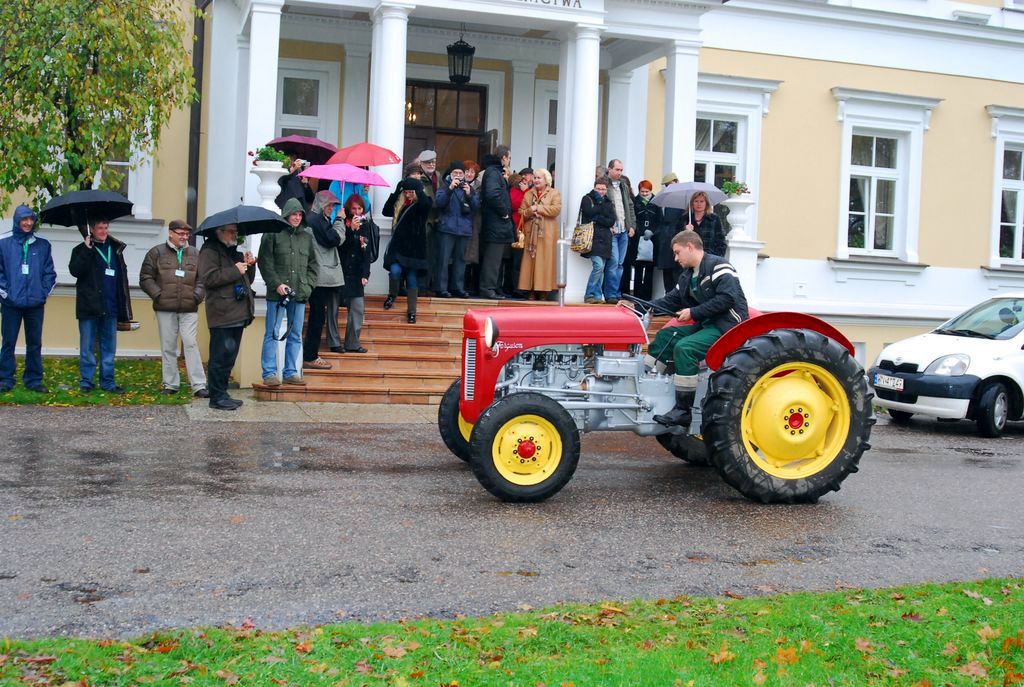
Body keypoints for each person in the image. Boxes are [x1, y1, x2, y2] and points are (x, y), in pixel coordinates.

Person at [639, 230, 748, 426]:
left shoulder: (718, 266)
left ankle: (683, 410)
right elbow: (670, 301)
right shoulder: (687, 276)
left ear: (689, 246)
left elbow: (727, 298)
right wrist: (639, 306)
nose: (675, 258)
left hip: (727, 327)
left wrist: (693, 312)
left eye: (677, 252)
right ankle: (644, 383)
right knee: (666, 336)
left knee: (685, 348)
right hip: (706, 325)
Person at [138, 219, 208, 397]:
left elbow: (203, 278)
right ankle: (171, 384)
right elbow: (145, 277)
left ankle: (199, 385)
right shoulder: (156, 252)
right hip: (165, 307)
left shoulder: (195, 253)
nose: (184, 237)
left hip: (189, 307)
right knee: (168, 346)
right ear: (170, 233)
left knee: (190, 343)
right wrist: (158, 295)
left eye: (187, 234)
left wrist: (197, 296)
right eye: (181, 234)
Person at [258, 198, 319, 386]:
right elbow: (265, 262)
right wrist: (276, 284)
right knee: (272, 333)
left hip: (299, 294)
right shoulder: (272, 233)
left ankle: (291, 372)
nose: (297, 217)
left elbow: (313, 266)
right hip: (277, 295)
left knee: (295, 334)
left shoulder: (307, 237)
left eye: (300, 214)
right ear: (286, 214)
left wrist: (307, 287)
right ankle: (269, 373)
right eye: (294, 214)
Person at [69, 218, 132, 394]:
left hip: (110, 306)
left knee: (109, 348)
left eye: (106, 227)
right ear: (92, 230)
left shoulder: (115, 249)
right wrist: (87, 250)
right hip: (89, 307)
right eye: (100, 228)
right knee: (87, 347)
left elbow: (121, 278)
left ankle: (108, 382)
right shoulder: (80, 249)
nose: (104, 231)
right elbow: (75, 270)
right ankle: (86, 381)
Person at [198, 224, 255, 410]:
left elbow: (247, 280)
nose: (235, 235)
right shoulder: (209, 251)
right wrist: (235, 270)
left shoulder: (233, 252)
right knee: (220, 357)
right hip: (221, 313)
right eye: (231, 231)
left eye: (235, 231)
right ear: (219, 232)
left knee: (229, 357)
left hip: (237, 312)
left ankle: (222, 392)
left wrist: (250, 265)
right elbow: (209, 278)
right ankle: (216, 397)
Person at [0, 205, 57, 393]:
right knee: (8, 342)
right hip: (11, 303)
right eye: (24, 219)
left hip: (35, 304)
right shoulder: (3, 243)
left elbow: (49, 273)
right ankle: (5, 379)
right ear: (17, 221)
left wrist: (42, 293)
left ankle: (33, 379)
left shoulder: (42, 245)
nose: (28, 223)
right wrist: (6, 293)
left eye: (31, 219)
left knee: (34, 343)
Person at [303, 190, 345, 363]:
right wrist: (340, 220)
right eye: (328, 205)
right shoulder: (317, 220)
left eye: (333, 206)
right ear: (320, 204)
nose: (331, 208)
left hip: (319, 274)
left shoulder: (316, 219)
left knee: (318, 316)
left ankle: (310, 354)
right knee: (317, 317)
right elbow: (334, 239)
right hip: (320, 276)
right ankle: (310, 355)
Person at [382, 176, 431, 323]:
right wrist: (397, 191)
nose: (408, 195)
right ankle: (392, 295)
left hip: (415, 250)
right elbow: (386, 211)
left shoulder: (423, 203)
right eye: (406, 192)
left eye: (411, 192)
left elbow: (425, 204)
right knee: (395, 271)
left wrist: (418, 189)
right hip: (399, 248)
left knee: (411, 279)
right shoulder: (401, 204)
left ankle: (412, 312)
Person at [434, 161, 479, 298]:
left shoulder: (468, 187)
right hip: (447, 228)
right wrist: (450, 189)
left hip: (464, 229)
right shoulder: (444, 186)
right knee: (443, 260)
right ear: (451, 174)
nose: (458, 175)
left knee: (460, 260)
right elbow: (439, 202)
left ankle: (457, 288)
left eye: (460, 173)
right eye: (455, 173)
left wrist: (469, 194)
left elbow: (476, 206)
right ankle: (441, 288)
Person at [517, 168, 561, 300]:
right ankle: (530, 290)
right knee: (530, 260)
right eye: (535, 178)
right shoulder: (528, 194)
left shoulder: (554, 193)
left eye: (539, 178)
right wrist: (530, 210)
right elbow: (521, 211)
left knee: (545, 261)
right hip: (531, 232)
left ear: (546, 180)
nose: (536, 180)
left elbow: (556, 209)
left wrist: (539, 208)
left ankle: (543, 291)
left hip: (547, 232)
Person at [478, 145, 515, 300]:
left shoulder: (495, 172)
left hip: (496, 224)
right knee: (492, 258)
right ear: (503, 157)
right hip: (496, 223)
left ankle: (493, 287)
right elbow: (492, 194)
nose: (509, 161)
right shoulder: (493, 172)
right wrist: (504, 213)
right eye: (509, 158)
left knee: (496, 258)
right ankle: (488, 288)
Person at [339, 194, 374, 352]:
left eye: (360, 208)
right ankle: (334, 343)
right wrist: (351, 230)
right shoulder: (341, 223)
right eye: (354, 209)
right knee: (333, 309)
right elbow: (341, 247)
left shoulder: (365, 225)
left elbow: (366, 251)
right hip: (341, 272)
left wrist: (365, 274)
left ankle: (352, 343)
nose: (357, 212)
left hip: (356, 274)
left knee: (357, 309)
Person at [580, 177, 617, 304]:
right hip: (592, 238)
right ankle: (589, 294)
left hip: (605, 239)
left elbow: (611, 221)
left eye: (603, 189)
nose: (601, 191)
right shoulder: (587, 198)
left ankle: (597, 296)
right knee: (598, 266)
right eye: (598, 189)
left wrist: (598, 218)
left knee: (602, 269)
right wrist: (600, 206)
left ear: (606, 190)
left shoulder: (609, 202)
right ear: (594, 188)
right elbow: (589, 213)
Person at [604, 159, 636, 303]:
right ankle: (610, 294)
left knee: (620, 264)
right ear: (609, 169)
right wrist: (608, 225)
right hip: (612, 231)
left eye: (621, 170)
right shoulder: (604, 184)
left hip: (624, 230)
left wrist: (632, 225)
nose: (620, 172)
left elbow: (630, 206)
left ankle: (616, 293)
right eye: (617, 169)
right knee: (613, 262)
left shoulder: (623, 185)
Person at [625, 180, 661, 300]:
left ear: (651, 191)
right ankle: (637, 294)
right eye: (642, 191)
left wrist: (652, 231)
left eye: (647, 191)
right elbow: (633, 218)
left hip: (652, 240)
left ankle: (647, 296)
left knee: (649, 269)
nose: (644, 194)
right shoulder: (635, 202)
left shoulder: (656, 202)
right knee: (638, 268)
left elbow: (659, 221)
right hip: (637, 239)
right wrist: (639, 232)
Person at [656, 172, 686, 293]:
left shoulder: (682, 199)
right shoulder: (666, 199)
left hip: (676, 239)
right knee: (667, 273)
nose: (668, 187)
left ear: (676, 182)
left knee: (676, 273)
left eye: (670, 184)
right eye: (666, 185)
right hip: (665, 240)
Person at [418, 150, 440, 293]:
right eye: (428, 162)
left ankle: (429, 286)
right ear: (421, 164)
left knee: (434, 256)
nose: (431, 165)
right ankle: (421, 287)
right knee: (423, 255)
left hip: (436, 223)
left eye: (433, 162)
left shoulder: (438, 177)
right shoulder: (419, 179)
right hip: (424, 223)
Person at [685, 190, 727, 258]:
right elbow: (678, 241)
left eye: (702, 201)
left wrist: (716, 257)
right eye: (696, 201)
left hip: (709, 257)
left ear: (706, 203)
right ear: (692, 203)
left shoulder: (714, 219)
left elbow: (721, 241)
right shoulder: (685, 219)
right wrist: (686, 232)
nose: (699, 204)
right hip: (690, 258)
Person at [462, 160, 483, 295]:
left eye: (472, 172)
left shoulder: (479, 187)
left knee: (472, 255)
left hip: (474, 223)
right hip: (460, 222)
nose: (469, 174)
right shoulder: (458, 184)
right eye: (467, 171)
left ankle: (471, 286)